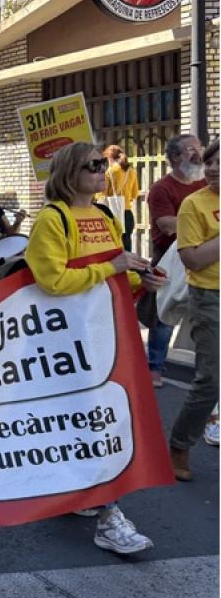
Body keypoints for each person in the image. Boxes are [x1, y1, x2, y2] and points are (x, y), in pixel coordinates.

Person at [25, 142, 162, 554]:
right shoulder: (53, 219)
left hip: (106, 333)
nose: (103, 171)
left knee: (98, 419)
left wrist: (142, 280)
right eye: (93, 165)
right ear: (69, 173)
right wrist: (113, 268)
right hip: (66, 341)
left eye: (103, 165)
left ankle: (87, 492)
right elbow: (51, 280)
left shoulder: (103, 214)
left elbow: (113, 272)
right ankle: (108, 515)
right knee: (95, 422)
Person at [167, 139, 219, 481]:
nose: (213, 168)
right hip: (210, 297)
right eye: (211, 162)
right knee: (211, 381)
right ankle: (180, 444)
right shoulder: (193, 204)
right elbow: (194, 259)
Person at [145, 134, 206, 387]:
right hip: (169, 257)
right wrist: (202, 221)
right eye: (191, 149)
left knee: (206, 312)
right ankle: (154, 370)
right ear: (175, 157)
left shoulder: (208, 185)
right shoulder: (162, 189)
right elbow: (167, 225)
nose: (198, 153)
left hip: (204, 254)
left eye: (199, 148)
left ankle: (207, 371)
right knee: (164, 314)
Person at [99, 145, 140, 251]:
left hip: (112, 213)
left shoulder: (109, 172)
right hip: (127, 214)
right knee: (126, 245)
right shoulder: (132, 172)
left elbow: (101, 194)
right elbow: (134, 194)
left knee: (113, 245)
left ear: (110, 158)